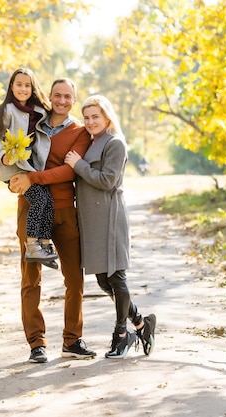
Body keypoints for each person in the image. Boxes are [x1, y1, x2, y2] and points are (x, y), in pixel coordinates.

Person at [9, 78, 96, 363]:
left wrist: (32, 177)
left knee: (74, 278)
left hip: (64, 211)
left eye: (67, 96)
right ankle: (36, 343)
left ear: (74, 99)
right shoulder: (32, 124)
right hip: (30, 207)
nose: (61, 100)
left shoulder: (80, 133)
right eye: (57, 95)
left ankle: (72, 340)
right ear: (49, 96)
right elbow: (11, 154)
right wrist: (12, 179)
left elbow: (68, 173)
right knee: (31, 278)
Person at [64, 94, 156, 359]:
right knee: (103, 280)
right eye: (87, 117)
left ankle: (121, 334)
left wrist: (77, 164)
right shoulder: (88, 142)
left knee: (116, 277)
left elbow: (106, 181)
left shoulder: (115, 143)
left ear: (107, 117)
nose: (91, 121)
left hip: (109, 217)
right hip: (90, 220)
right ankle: (142, 323)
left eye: (96, 116)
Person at [0, 67, 58, 267]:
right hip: (12, 166)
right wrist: (3, 156)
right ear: (11, 86)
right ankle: (31, 244)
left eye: (27, 85)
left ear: (32, 88)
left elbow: (54, 114)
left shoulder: (38, 111)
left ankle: (44, 243)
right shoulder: (5, 110)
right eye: (19, 85)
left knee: (47, 198)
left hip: (29, 165)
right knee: (38, 199)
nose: (23, 89)